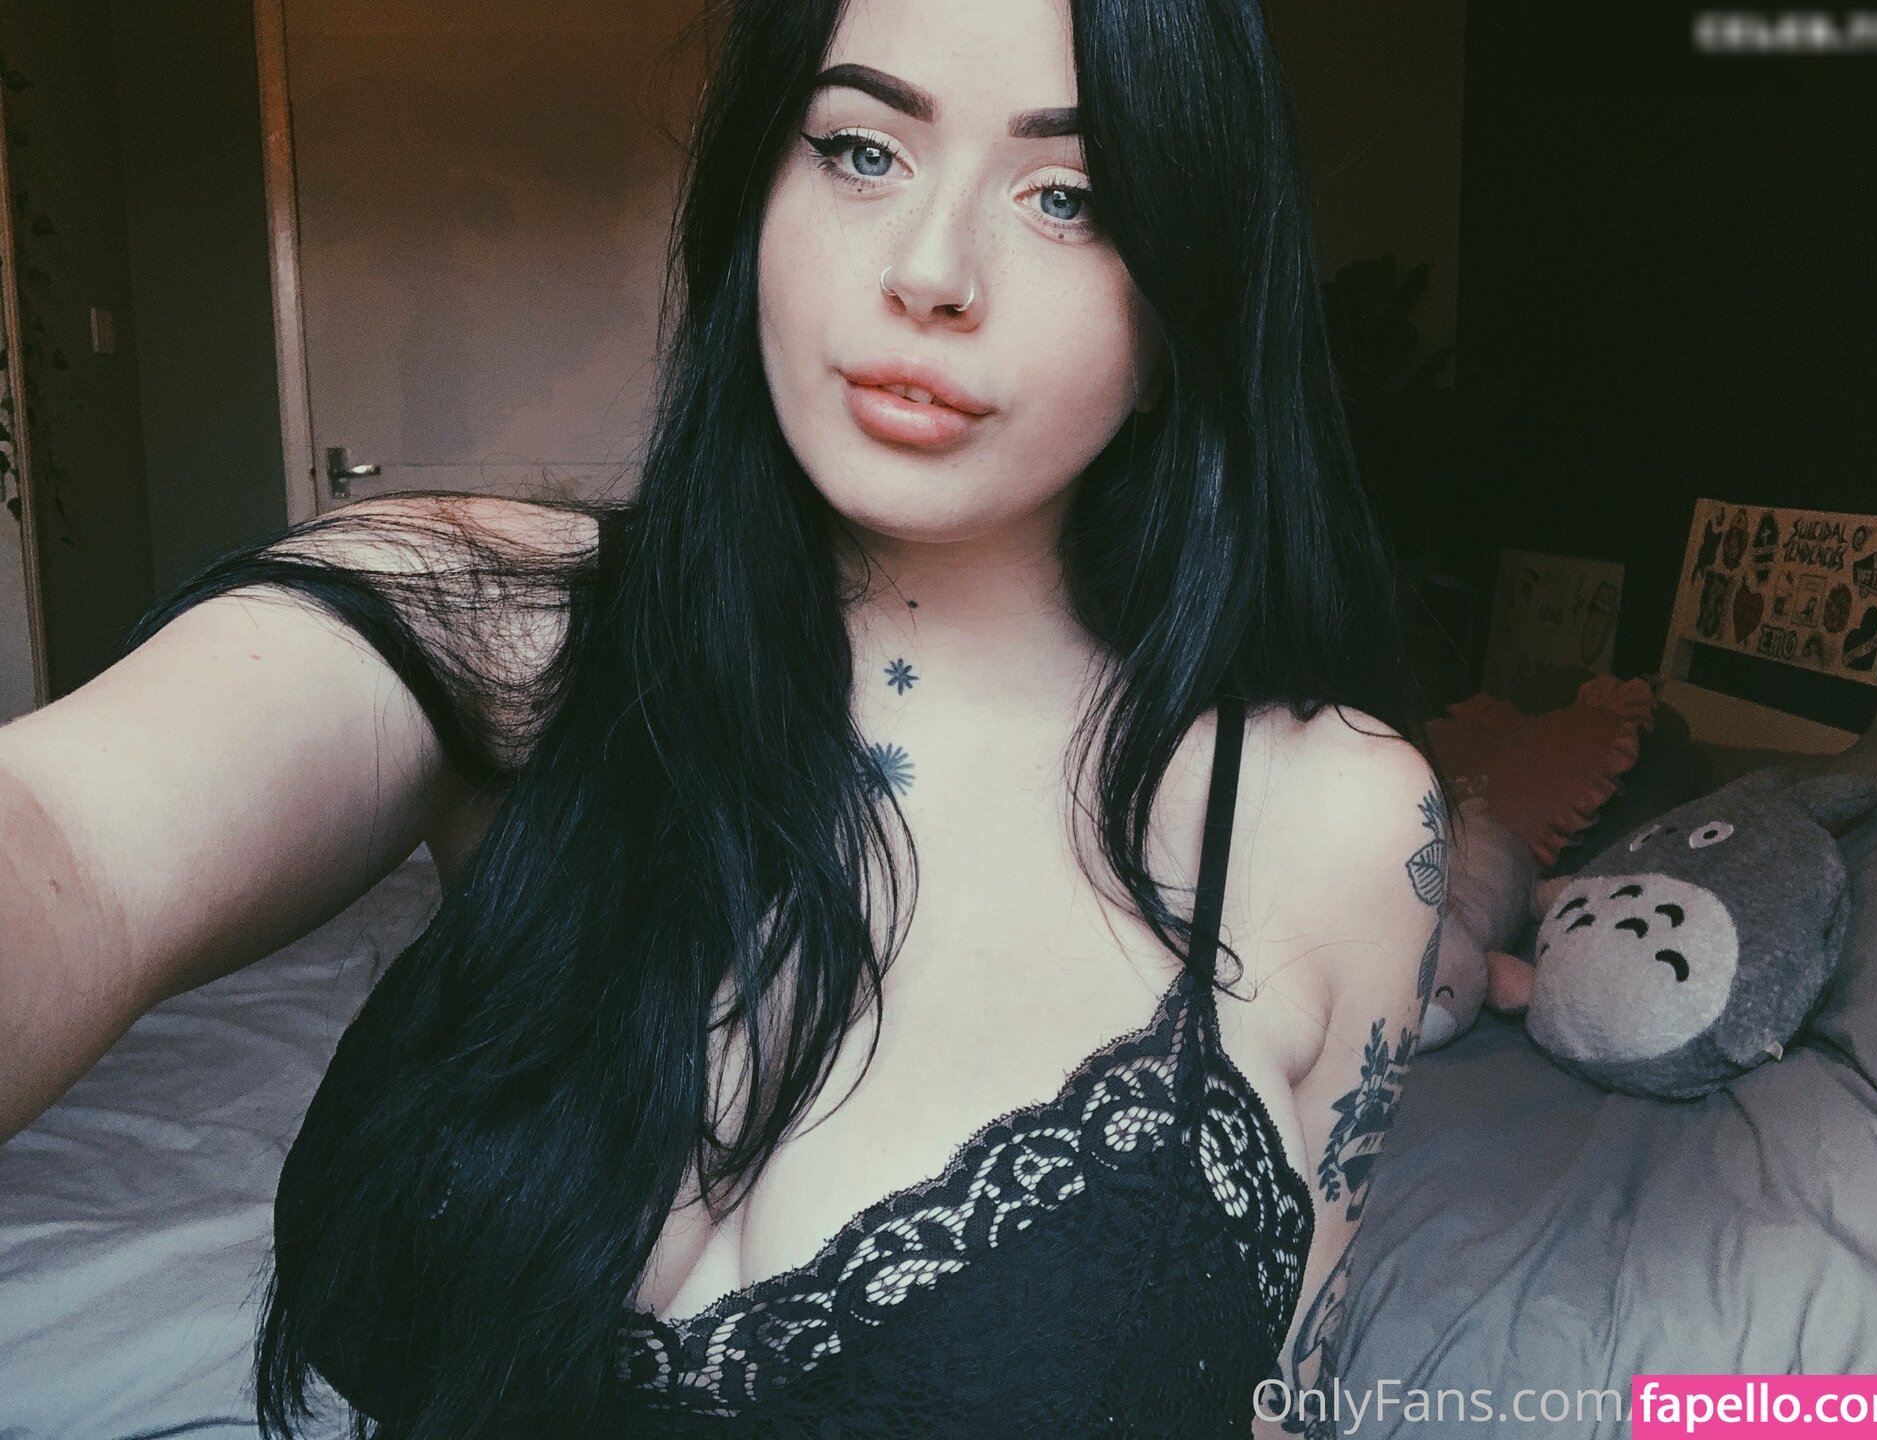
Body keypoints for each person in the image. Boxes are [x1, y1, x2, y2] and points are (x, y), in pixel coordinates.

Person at [0, 0, 1452, 1434]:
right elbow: (73, 844)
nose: (931, 271)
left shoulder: (1336, 819)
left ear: (1181, 305)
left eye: (1068, 196)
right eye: (862, 151)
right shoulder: (500, 624)